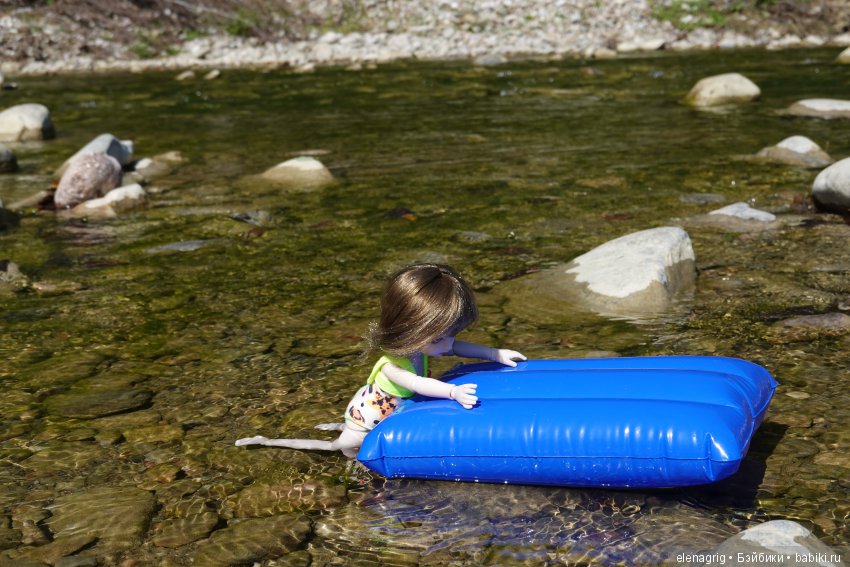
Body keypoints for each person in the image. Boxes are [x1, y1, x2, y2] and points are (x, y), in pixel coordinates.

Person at [235, 263, 526, 457]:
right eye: (440, 338)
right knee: (337, 447)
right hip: (365, 418)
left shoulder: (424, 346)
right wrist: (453, 392)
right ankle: (267, 441)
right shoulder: (392, 366)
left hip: (388, 408)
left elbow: (457, 347)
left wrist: (494, 353)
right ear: (410, 331)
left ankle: (333, 425)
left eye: (452, 335)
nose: (448, 344)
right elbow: (418, 384)